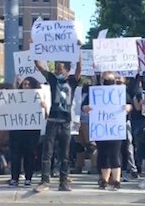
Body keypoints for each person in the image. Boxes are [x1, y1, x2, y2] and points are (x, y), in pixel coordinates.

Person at [34, 57, 82, 192]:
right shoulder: (53, 79)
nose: (57, 72)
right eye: (56, 69)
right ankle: (44, 181)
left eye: (60, 70)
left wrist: (77, 54)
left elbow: (79, 70)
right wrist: (35, 50)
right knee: (47, 152)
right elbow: (40, 66)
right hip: (52, 121)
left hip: (66, 122)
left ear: (67, 70)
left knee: (65, 154)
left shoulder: (72, 81)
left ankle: (63, 182)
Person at [83, 72, 132, 190]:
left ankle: (116, 181)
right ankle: (104, 180)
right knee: (103, 155)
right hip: (101, 128)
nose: (108, 82)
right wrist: (87, 108)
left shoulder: (120, 92)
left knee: (115, 154)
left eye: (110, 80)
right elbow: (84, 106)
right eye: (106, 80)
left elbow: (130, 105)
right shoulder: (95, 92)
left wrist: (127, 108)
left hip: (115, 128)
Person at [9, 76, 45, 187]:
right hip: (16, 131)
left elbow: (45, 115)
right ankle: (14, 177)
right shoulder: (14, 97)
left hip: (31, 131)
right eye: (24, 84)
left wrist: (44, 107)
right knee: (15, 155)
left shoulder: (39, 98)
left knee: (29, 154)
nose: (26, 86)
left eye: (29, 84)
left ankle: (28, 177)